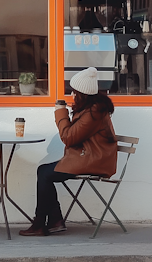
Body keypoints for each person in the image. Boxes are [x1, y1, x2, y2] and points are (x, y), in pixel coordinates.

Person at [19, 67, 118, 236]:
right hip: (87, 157)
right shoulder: (92, 108)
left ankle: (41, 223)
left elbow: (69, 137)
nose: (72, 95)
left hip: (94, 161)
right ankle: (53, 220)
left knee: (44, 173)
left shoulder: (93, 112)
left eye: (74, 92)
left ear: (82, 93)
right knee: (44, 171)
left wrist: (60, 112)